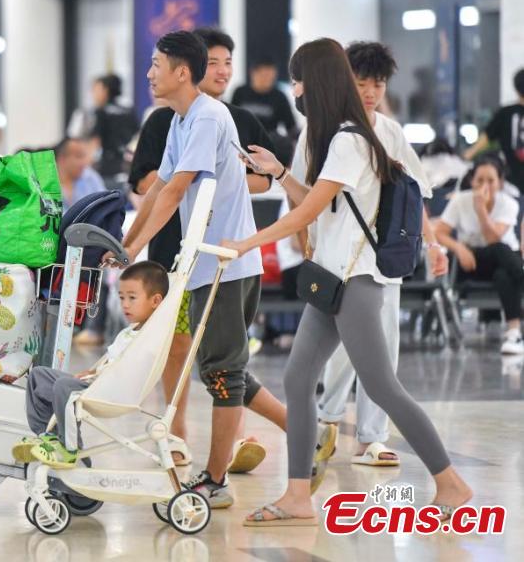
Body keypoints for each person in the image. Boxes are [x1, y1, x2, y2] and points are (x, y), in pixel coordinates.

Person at [220, 38, 471, 527]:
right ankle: (297, 495)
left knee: (381, 385)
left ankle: (450, 482)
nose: (294, 88)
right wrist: (278, 174)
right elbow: (318, 202)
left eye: (298, 79)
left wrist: (247, 244)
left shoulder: (351, 139)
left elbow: (310, 211)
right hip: (333, 279)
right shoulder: (335, 136)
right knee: (297, 379)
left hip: (356, 280)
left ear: (316, 82)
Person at [109, 31, 266, 508]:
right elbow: (156, 190)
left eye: (156, 64)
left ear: (181, 71)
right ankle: (303, 430)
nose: (150, 73)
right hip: (205, 265)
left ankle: (215, 482)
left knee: (222, 373)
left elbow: (176, 190)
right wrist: (127, 243)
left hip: (225, 265)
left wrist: (133, 249)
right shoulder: (180, 121)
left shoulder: (207, 117)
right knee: (221, 367)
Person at [283, 41, 448, 468]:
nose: (371, 91)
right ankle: (329, 421)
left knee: (380, 360)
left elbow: (414, 194)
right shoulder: (320, 133)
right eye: (362, 82)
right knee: (340, 362)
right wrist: (305, 239)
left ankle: (372, 437)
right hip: (334, 262)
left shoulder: (388, 131)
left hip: (377, 260)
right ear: (343, 81)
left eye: (378, 83)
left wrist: (431, 244)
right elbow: (303, 199)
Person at [16, 261, 168, 468]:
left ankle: (70, 448)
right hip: (99, 382)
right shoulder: (128, 332)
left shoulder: (149, 336)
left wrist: (97, 377)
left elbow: (130, 368)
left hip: (113, 392)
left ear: (156, 300)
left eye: (132, 298)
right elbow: (112, 360)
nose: (125, 304)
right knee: (39, 376)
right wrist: (92, 372)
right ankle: (46, 436)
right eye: (122, 297)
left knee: (64, 388)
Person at [435, 156, 523, 355]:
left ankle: (514, 333)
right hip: (474, 262)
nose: (485, 185)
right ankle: (521, 275)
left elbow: (493, 238)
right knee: (502, 251)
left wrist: (481, 211)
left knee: (503, 268)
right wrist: (459, 248)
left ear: (500, 183)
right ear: (472, 181)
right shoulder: (460, 201)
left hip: (505, 262)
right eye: (480, 180)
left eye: (491, 181)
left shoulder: (509, 203)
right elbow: (440, 232)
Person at [465, 68, 524, 192]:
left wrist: (467, 154)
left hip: (512, 182)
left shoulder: (505, 113)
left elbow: (486, 137)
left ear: (516, 89)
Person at [89, 74, 140, 183]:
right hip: (127, 166)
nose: (93, 94)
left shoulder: (101, 112)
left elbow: (95, 142)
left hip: (107, 167)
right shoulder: (129, 110)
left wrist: (86, 164)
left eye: (95, 89)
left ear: (105, 89)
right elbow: (137, 137)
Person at [231, 56, 297, 138]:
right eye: (264, 75)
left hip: (268, 143)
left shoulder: (279, 97)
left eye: (271, 76)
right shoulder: (240, 93)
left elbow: (291, 128)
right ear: (253, 73)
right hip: (241, 141)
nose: (268, 79)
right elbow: (230, 120)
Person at [56, 137, 105, 212]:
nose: (84, 162)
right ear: (62, 159)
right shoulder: (46, 186)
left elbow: (106, 205)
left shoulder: (91, 177)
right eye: (78, 156)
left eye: (84, 156)